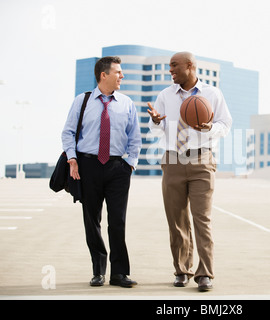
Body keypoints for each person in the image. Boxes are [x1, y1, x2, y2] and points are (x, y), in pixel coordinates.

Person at [147, 52, 232, 291]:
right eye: (169, 67)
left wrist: (209, 128)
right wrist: (155, 122)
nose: (170, 70)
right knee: (176, 221)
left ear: (190, 66)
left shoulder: (212, 94)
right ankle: (182, 270)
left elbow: (225, 124)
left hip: (201, 160)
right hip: (172, 161)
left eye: (174, 66)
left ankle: (205, 274)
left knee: (201, 219)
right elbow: (158, 130)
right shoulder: (165, 95)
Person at [62, 56, 142, 287]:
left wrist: (131, 163)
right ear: (103, 75)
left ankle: (119, 273)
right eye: (118, 72)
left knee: (118, 221)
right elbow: (67, 132)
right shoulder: (82, 101)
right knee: (92, 220)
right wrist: (72, 158)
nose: (122, 76)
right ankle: (98, 271)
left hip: (118, 167)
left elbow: (134, 137)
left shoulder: (126, 103)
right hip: (88, 166)